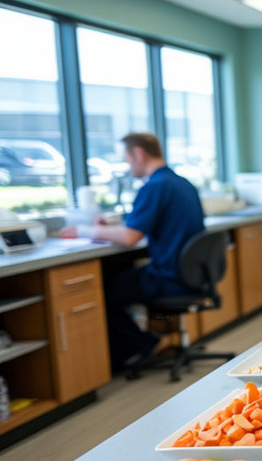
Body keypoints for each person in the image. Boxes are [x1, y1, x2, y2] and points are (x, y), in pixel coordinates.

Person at [59, 133, 206, 370]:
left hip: (167, 276)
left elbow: (130, 237)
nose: (128, 167)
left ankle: (144, 345)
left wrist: (82, 230)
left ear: (138, 153)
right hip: (189, 274)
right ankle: (143, 343)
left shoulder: (154, 187)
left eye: (127, 160)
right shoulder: (181, 183)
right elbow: (144, 225)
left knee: (101, 293)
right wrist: (111, 228)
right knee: (120, 282)